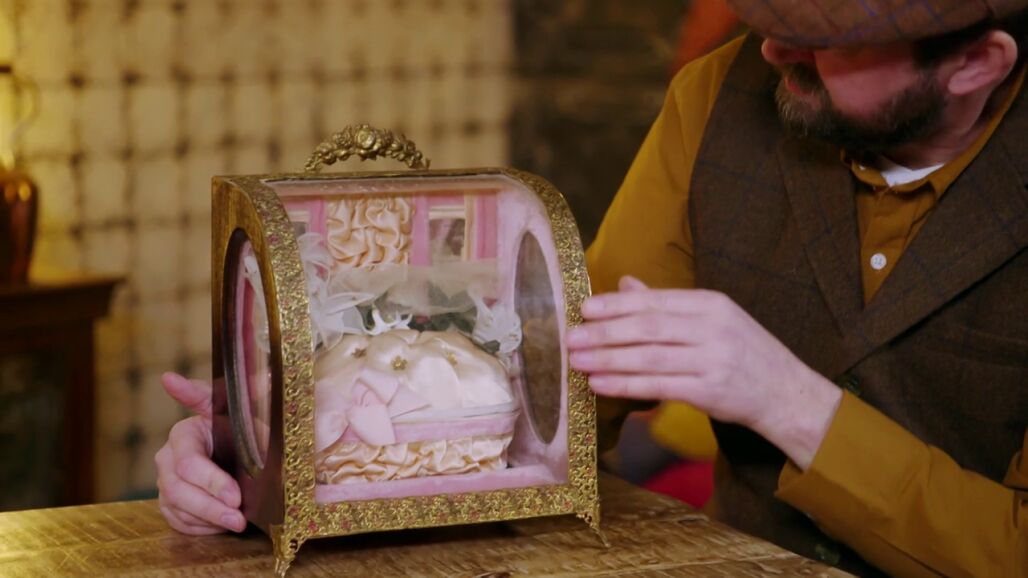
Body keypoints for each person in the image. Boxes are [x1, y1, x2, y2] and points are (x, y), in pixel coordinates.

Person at [157, 1, 1028, 576]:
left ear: (975, 64)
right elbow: (559, 384)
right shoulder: (721, 97)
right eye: (771, 12)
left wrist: (784, 399)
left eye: (828, 39)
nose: (774, 48)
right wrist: (280, 441)